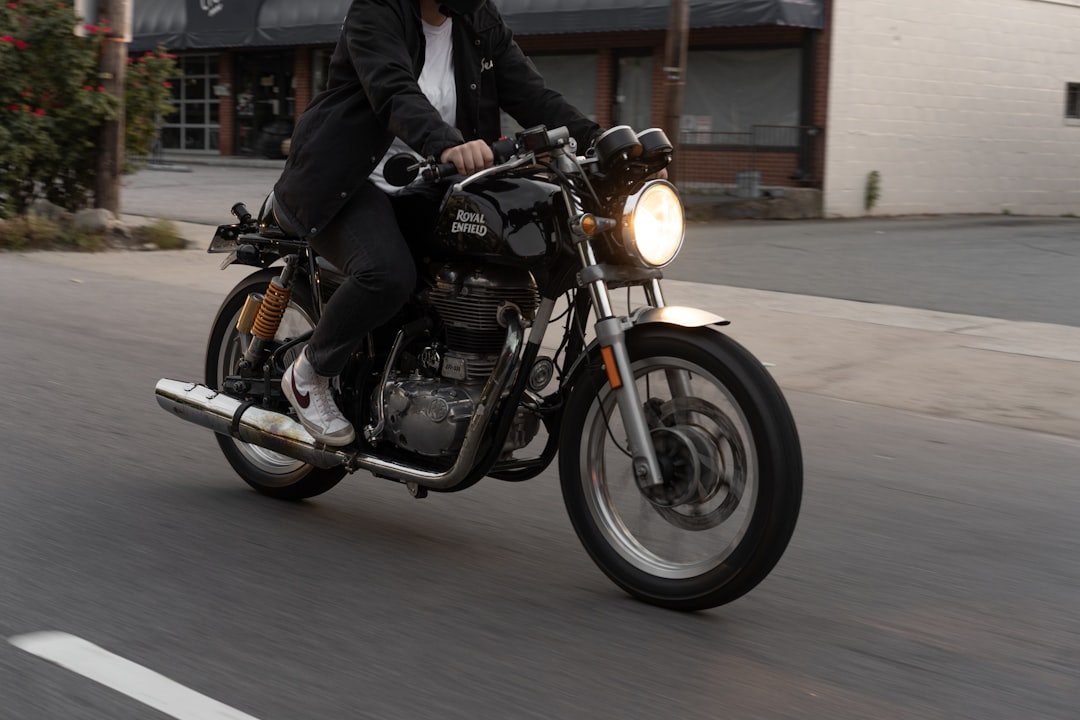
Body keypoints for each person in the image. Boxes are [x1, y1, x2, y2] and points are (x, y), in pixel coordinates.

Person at [272, 0, 600, 446]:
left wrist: (601, 142)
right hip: (346, 181)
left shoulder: (477, 19)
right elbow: (393, 89)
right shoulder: (377, 10)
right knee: (388, 275)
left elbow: (532, 94)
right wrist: (446, 144)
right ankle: (310, 372)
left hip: (431, 182)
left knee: (507, 248)